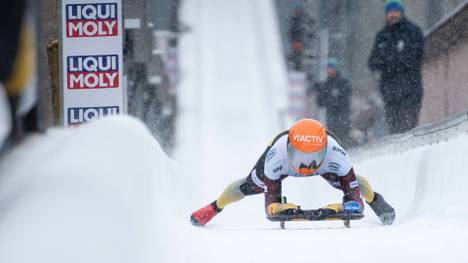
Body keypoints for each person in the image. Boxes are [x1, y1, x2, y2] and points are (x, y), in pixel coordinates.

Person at [190, 119, 395, 227]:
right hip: (283, 164)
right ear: (289, 148)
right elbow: (270, 204)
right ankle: (215, 206)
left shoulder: (336, 155)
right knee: (248, 186)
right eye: (301, 157)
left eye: (313, 157)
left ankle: (376, 199)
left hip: (313, 163)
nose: (307, 165)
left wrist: (337, 207)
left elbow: (354, 200)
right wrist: (279, 207)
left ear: (325, 150)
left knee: (355, 184)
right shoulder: (275, 158)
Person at [368, 0, 424, 134]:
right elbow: (372, 62)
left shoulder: (413, 31)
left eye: (395, 11)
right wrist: (387, 63)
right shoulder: (382, 36)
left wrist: (392, 62)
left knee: (408, 128)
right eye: (389, 12)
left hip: (410, 89)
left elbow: (416, 57)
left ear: (402, 12)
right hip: (390, 92)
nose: (392, 15)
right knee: (394, 129)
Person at [311, 58, 352, 146]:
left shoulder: (343, 82)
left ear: (335, 69)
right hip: (331, 116)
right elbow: (321, 103)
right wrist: (318, 92)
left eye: (331, 68)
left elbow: (345, 99)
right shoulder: (326, 84)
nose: (329, 70)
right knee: (333, 137)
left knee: (343, 136)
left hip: (342, 115)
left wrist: (333, 99)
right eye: (328, 68)